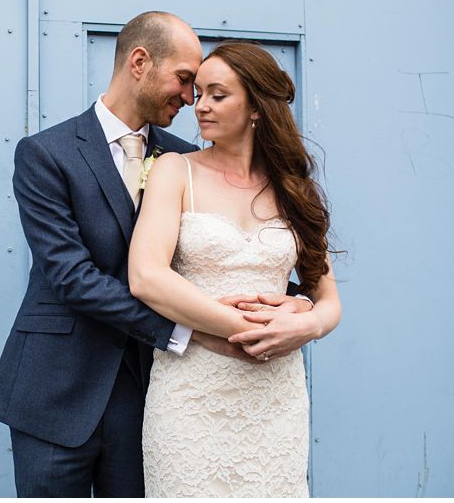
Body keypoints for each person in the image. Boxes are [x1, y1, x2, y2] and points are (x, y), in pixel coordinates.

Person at [0, 12, 317, 497]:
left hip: (144, 393)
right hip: (56, 385)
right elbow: (71, 276)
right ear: (139, 62)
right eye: (185, 80)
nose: (189, 98)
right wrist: (189, 330)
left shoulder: (184, 160)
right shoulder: (46, 153)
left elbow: (219, 260)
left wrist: (297, 302)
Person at [128, 40, 343, 497]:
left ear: (256, 108)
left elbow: (328, 299)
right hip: (192, 393)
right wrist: (245, 332)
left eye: (217, 95)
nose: (198, 106)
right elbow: (146, 276)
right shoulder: (174, 170)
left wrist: (306, 327)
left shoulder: (293, 188)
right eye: (198, 93)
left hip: (276, 398)